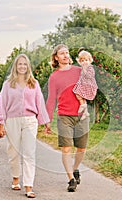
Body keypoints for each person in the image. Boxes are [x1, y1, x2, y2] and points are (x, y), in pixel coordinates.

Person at [0, 53, 50, 198]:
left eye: (25, 64)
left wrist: (45, 122)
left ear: (28, 67)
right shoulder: (8, 84)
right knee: (13, 152)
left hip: (30, 120)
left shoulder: (34, 83)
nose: (22, 66)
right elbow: (2, 104)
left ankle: (28, 186)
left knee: (29, 153)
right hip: (12, 120)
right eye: (20, 64)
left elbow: (40, 103)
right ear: (15, 66)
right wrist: (1, 123)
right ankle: (15, 178)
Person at [45, 44, 90, 192]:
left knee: (81, 148)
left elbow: (90, 84)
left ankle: (75, 168)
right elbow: (51, 99)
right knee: (66, 148)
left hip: (81, 115)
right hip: (64, 116)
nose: (65, 55)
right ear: (56, 57)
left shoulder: (78, 71)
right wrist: (47, 120)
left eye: (67, 52)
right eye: (62, 53)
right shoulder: (54, 77)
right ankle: (71, 178)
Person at [73, 49, 98, 120]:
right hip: (83, 85)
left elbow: (89, 76)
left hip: (89, 85)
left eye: (86, 60)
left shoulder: (90, 68)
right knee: (79, 95)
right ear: (80, 62)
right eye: (82, 60)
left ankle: (83, 107)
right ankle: (85, 111)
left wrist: (84, 69)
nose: (85, 62)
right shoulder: (82, 68)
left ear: (90, 60)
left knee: (79, 94)